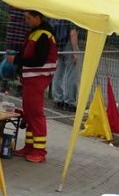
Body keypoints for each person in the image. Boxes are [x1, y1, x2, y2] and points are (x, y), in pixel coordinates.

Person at [8, 9, 57, 163]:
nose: (26, 20)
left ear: (38, 17)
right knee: (29, 112)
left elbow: (38, 60)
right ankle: (30, 146)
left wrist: (16, 60)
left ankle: (39, 150)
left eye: (29, 18)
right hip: (31, 78)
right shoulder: (35, 32)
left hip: (37, 78)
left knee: (35, 113)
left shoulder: (43, 35)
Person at [50, 18, 80, 112]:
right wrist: (75, 52)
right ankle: (70, 102)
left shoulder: (56, 15)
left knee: (58, 74)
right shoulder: (71, 16)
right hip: (68, 45)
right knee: (71, 75)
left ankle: (58, 99)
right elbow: (73, 33)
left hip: (58, 46)